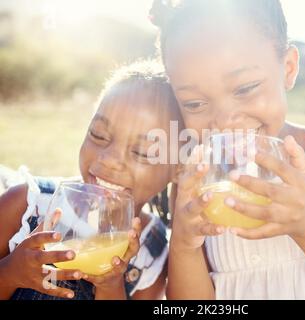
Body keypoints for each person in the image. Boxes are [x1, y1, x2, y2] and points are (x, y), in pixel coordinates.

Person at [151, 0, 305, 299]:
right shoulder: (196, 182)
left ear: (288, 68)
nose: (225, 121)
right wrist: (184, 246)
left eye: (245, 88)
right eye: (194, 103)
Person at [0, 60, 181, 300]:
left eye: (142, 152)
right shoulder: (25, 206)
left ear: (178, 168)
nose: (109, 160)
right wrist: (11, 273)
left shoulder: (151, 251)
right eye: (98, 135)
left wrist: (110, 284)